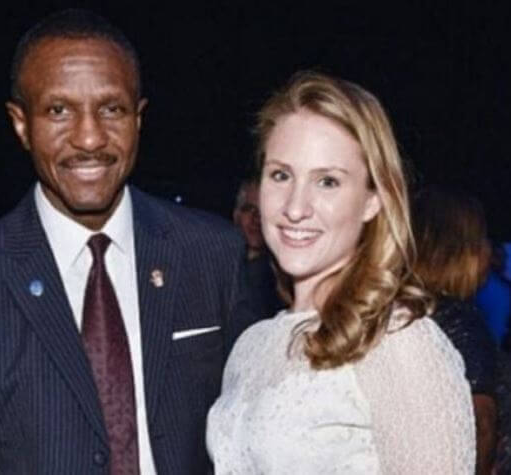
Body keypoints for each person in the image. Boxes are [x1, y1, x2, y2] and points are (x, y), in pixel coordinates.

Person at [0, 9, 256, 474]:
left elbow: (249, 436)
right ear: (21, 124)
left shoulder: (212, 252)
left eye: (111, 109)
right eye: (59, 111)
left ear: (138, 118)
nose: (90, 138)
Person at [207, 71, 475, 473]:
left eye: (328, 182)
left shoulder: (399, 343)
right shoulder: (252, 344)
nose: (295, 207)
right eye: (281, 175)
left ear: (373, 201)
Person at [412, 186, 498, 475]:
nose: (490, 251)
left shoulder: (399, 312)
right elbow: (480, 421)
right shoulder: (461, 321)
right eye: (483, 240)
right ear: (457, 251)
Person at [233, 178, 283, 317]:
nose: (256, 219)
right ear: (236, 215)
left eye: (264, 212)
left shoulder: (282, 283)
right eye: (250, 209)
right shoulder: (214, 267)